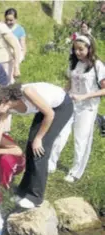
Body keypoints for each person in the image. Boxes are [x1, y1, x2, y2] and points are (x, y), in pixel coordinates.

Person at [0, 83, 73, 209]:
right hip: (45, 109)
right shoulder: (6, 107)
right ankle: (23, 190)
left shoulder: (27, 92)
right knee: (31, 147)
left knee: (39, 150)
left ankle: (36, 197)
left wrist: (39, 138)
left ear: (3, 101)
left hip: (60, 108)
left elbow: (50, 114)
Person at [49, 35, 105, 182]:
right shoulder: (74, 63)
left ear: (89, 48)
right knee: (61, 132)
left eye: (81, 49)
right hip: (70, 103)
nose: (77, 52)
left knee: (81, 139)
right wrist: (61, 95)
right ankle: (51, 162)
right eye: (75, 49)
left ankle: (75, 172)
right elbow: (70, 82)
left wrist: (84, 96)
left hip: (88, 107)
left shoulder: (97, 66)